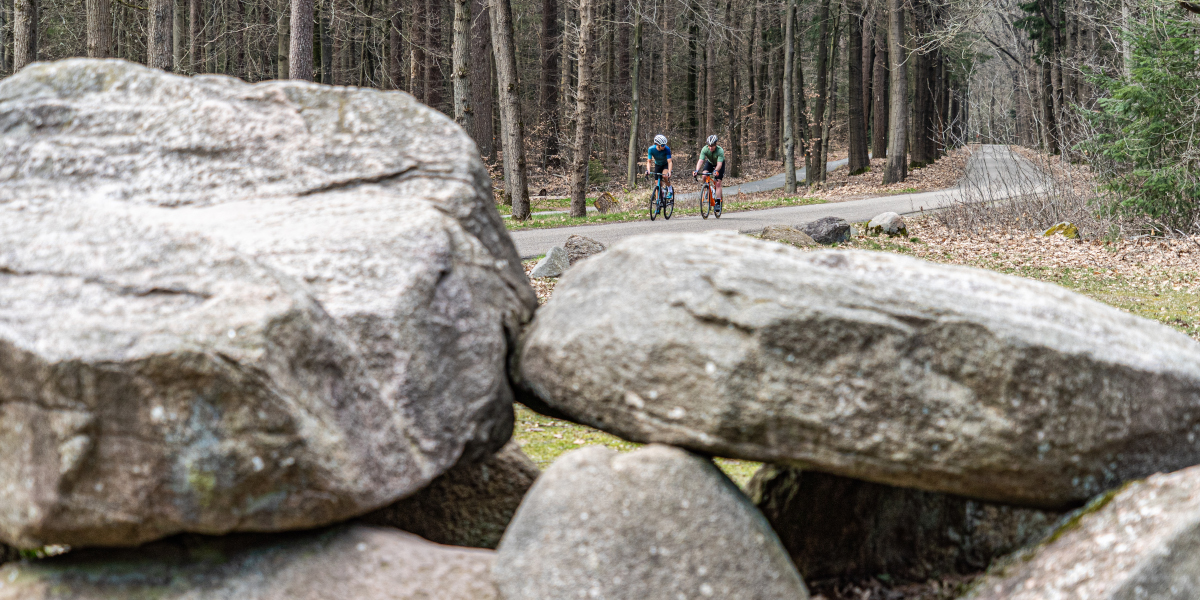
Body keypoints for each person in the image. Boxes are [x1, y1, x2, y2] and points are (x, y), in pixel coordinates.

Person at [694, 134, 726, 210]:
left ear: (716, 145)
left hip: (719, 164)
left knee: (718, 183)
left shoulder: (720, 150)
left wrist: (716, 170)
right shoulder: (705, 149)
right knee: (704, 175)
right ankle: (710, 189)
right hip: (710, 162)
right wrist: (697, 170)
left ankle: (718, 202)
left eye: (712, 146)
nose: (710, 147)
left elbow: (719, 164)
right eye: (709, 146)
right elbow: (701, 161)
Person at [647, 134, 674, 199]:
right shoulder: (651, 149)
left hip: (665, 164)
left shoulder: (667, 149)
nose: (664, 146)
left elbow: (670, 162)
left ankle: (669, 189)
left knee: (664, 176)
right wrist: (648, 170)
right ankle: (657, 202)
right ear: (657, 144)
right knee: (657, 183)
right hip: (658, 165)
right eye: (662, 145)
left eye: (665, 144)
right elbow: (649, 161)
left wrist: (669, 171)